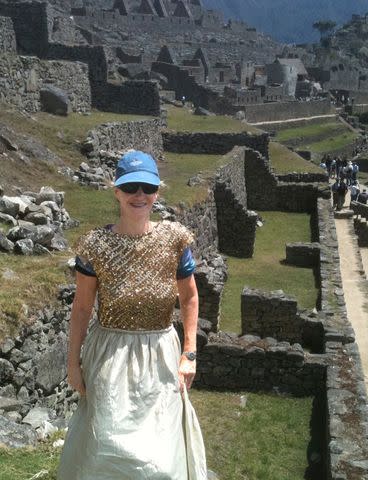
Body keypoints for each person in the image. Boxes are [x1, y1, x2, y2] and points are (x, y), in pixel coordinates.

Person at [57, 150, 207, 480]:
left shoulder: (174, 240)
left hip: (161, 356)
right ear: (117, 192)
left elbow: (190, 297)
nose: (139, 195)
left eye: (147, 188)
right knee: (106, 451)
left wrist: (190, 353)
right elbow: (82, 309)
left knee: (161, 462)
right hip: (110, 357)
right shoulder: (95, 245)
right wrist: (72, 364)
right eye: (131, 187)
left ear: (157, 191)